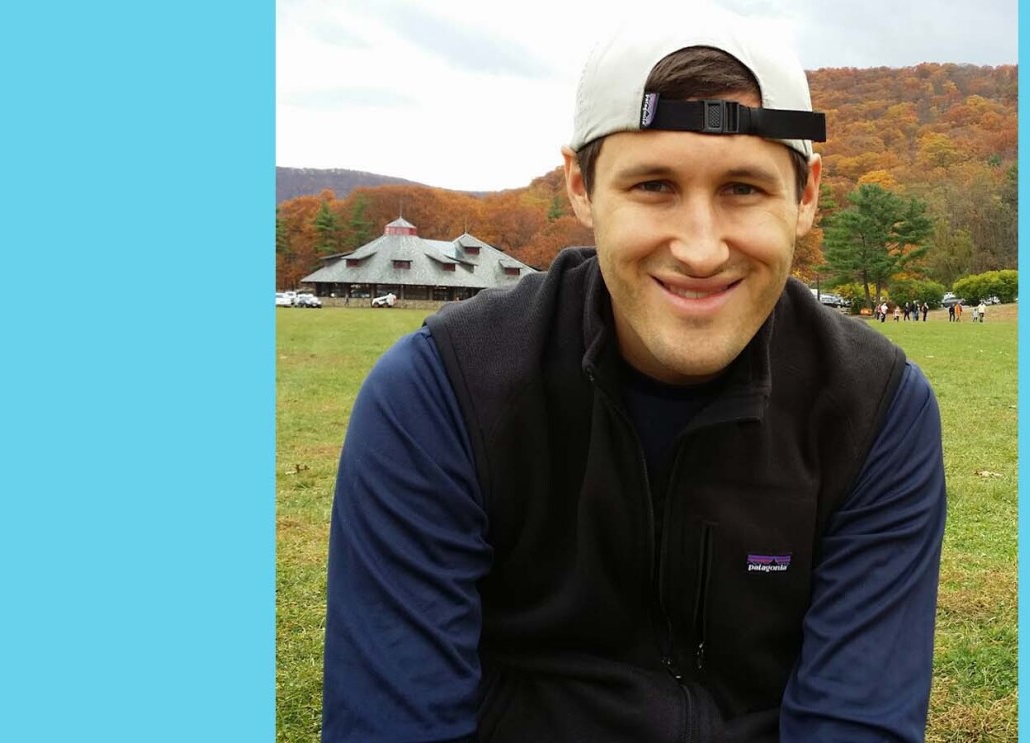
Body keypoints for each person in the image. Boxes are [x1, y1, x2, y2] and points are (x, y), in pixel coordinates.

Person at [322, 12, 946, 743]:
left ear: (806, 196)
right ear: (581, 187)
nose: (701, 247)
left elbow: (854, 725)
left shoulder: (876, 412)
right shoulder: (441, 396)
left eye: (744, 188)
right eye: (654, 185)